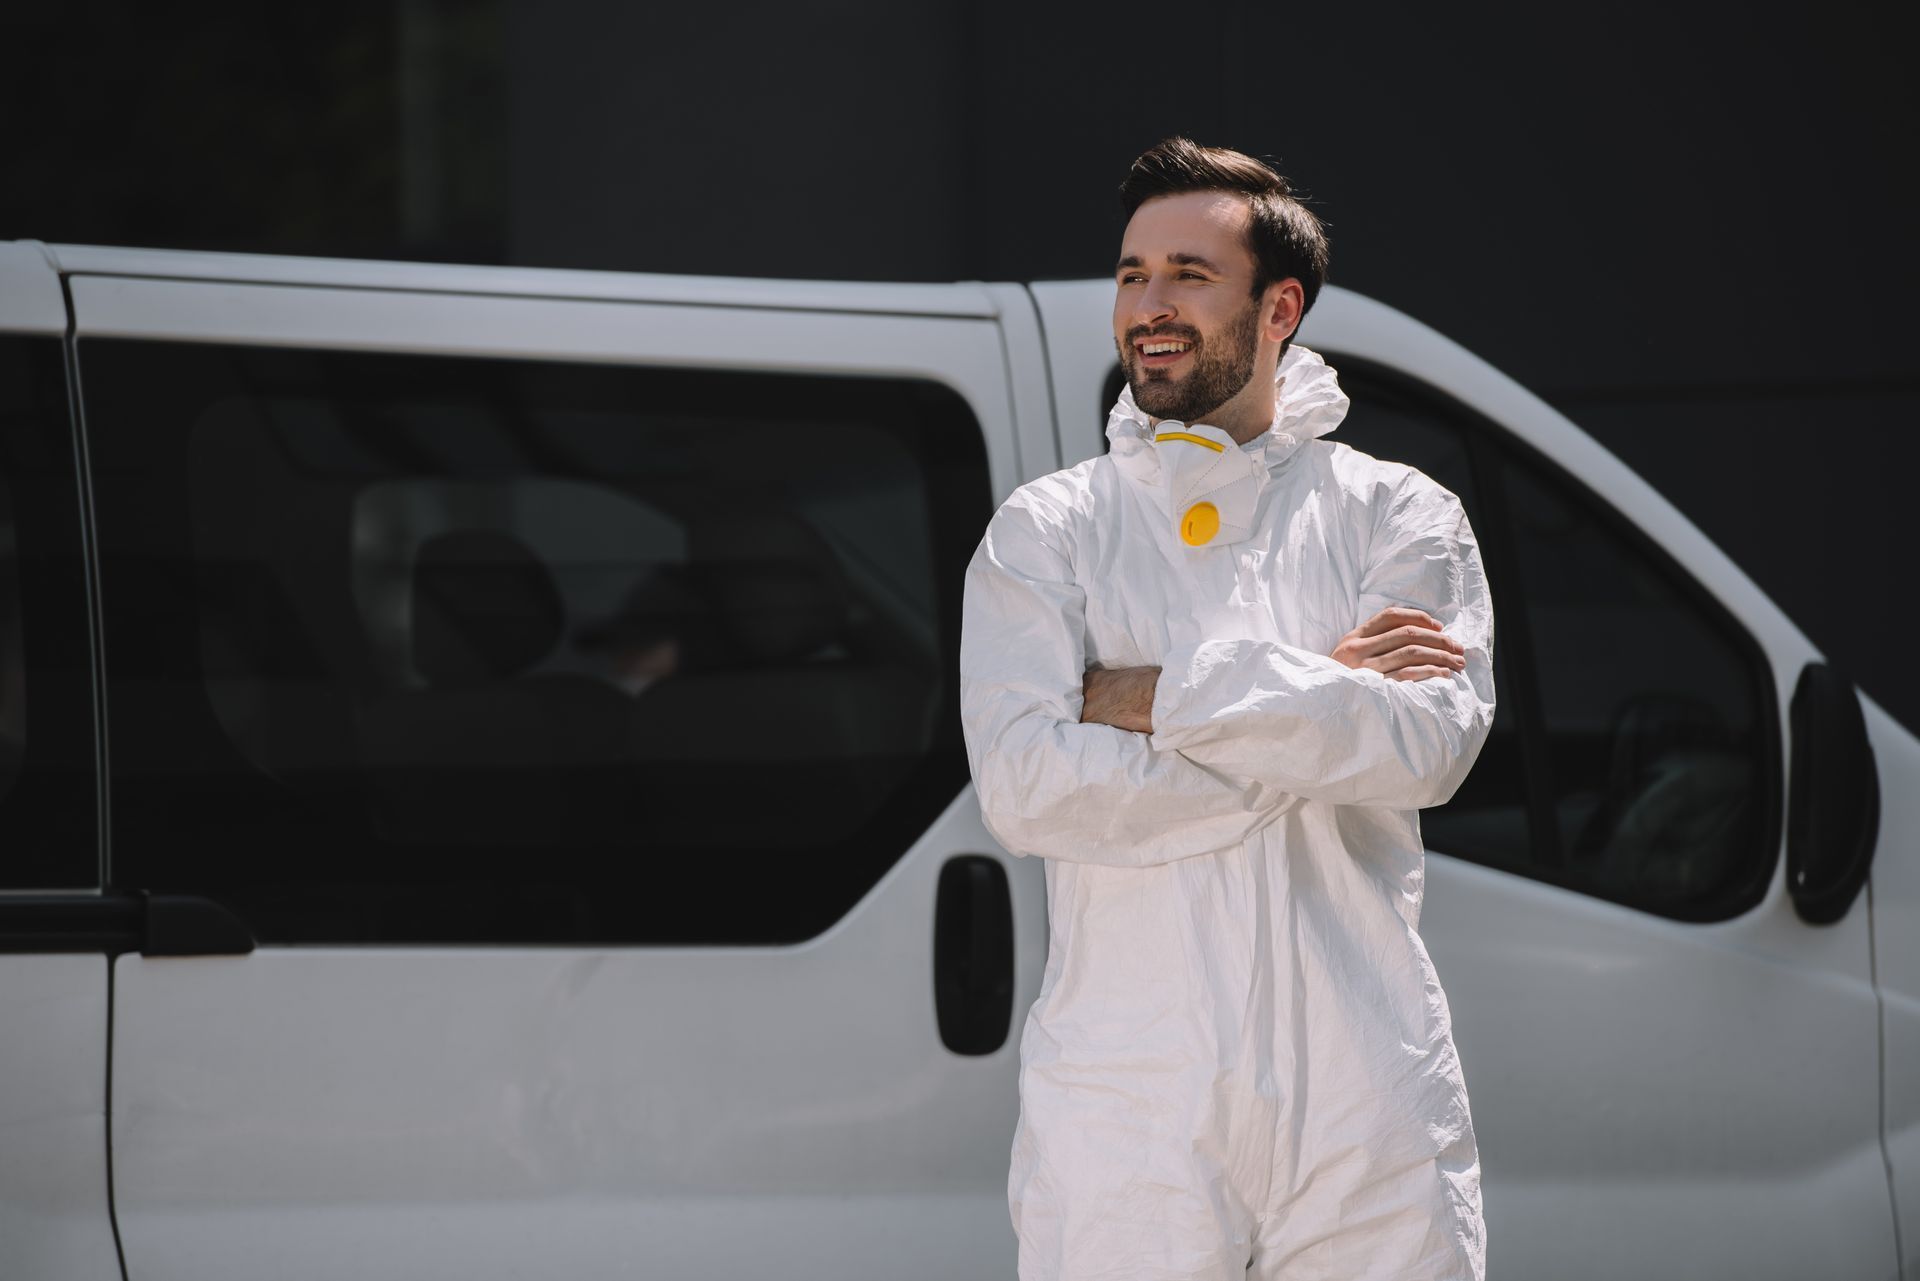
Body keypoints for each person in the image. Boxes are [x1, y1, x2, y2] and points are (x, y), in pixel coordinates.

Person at [959, 138, 1495, 1280]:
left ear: (1279, 306)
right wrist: (1316, 708)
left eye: (1189, 276)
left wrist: (1158, 696)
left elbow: (1428, 745)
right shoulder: (1049, 529)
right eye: (1131, 274)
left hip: (1366, 1104)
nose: (1148, 307)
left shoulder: (1399, 514)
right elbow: (1026, 786)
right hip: (1127, 1114)